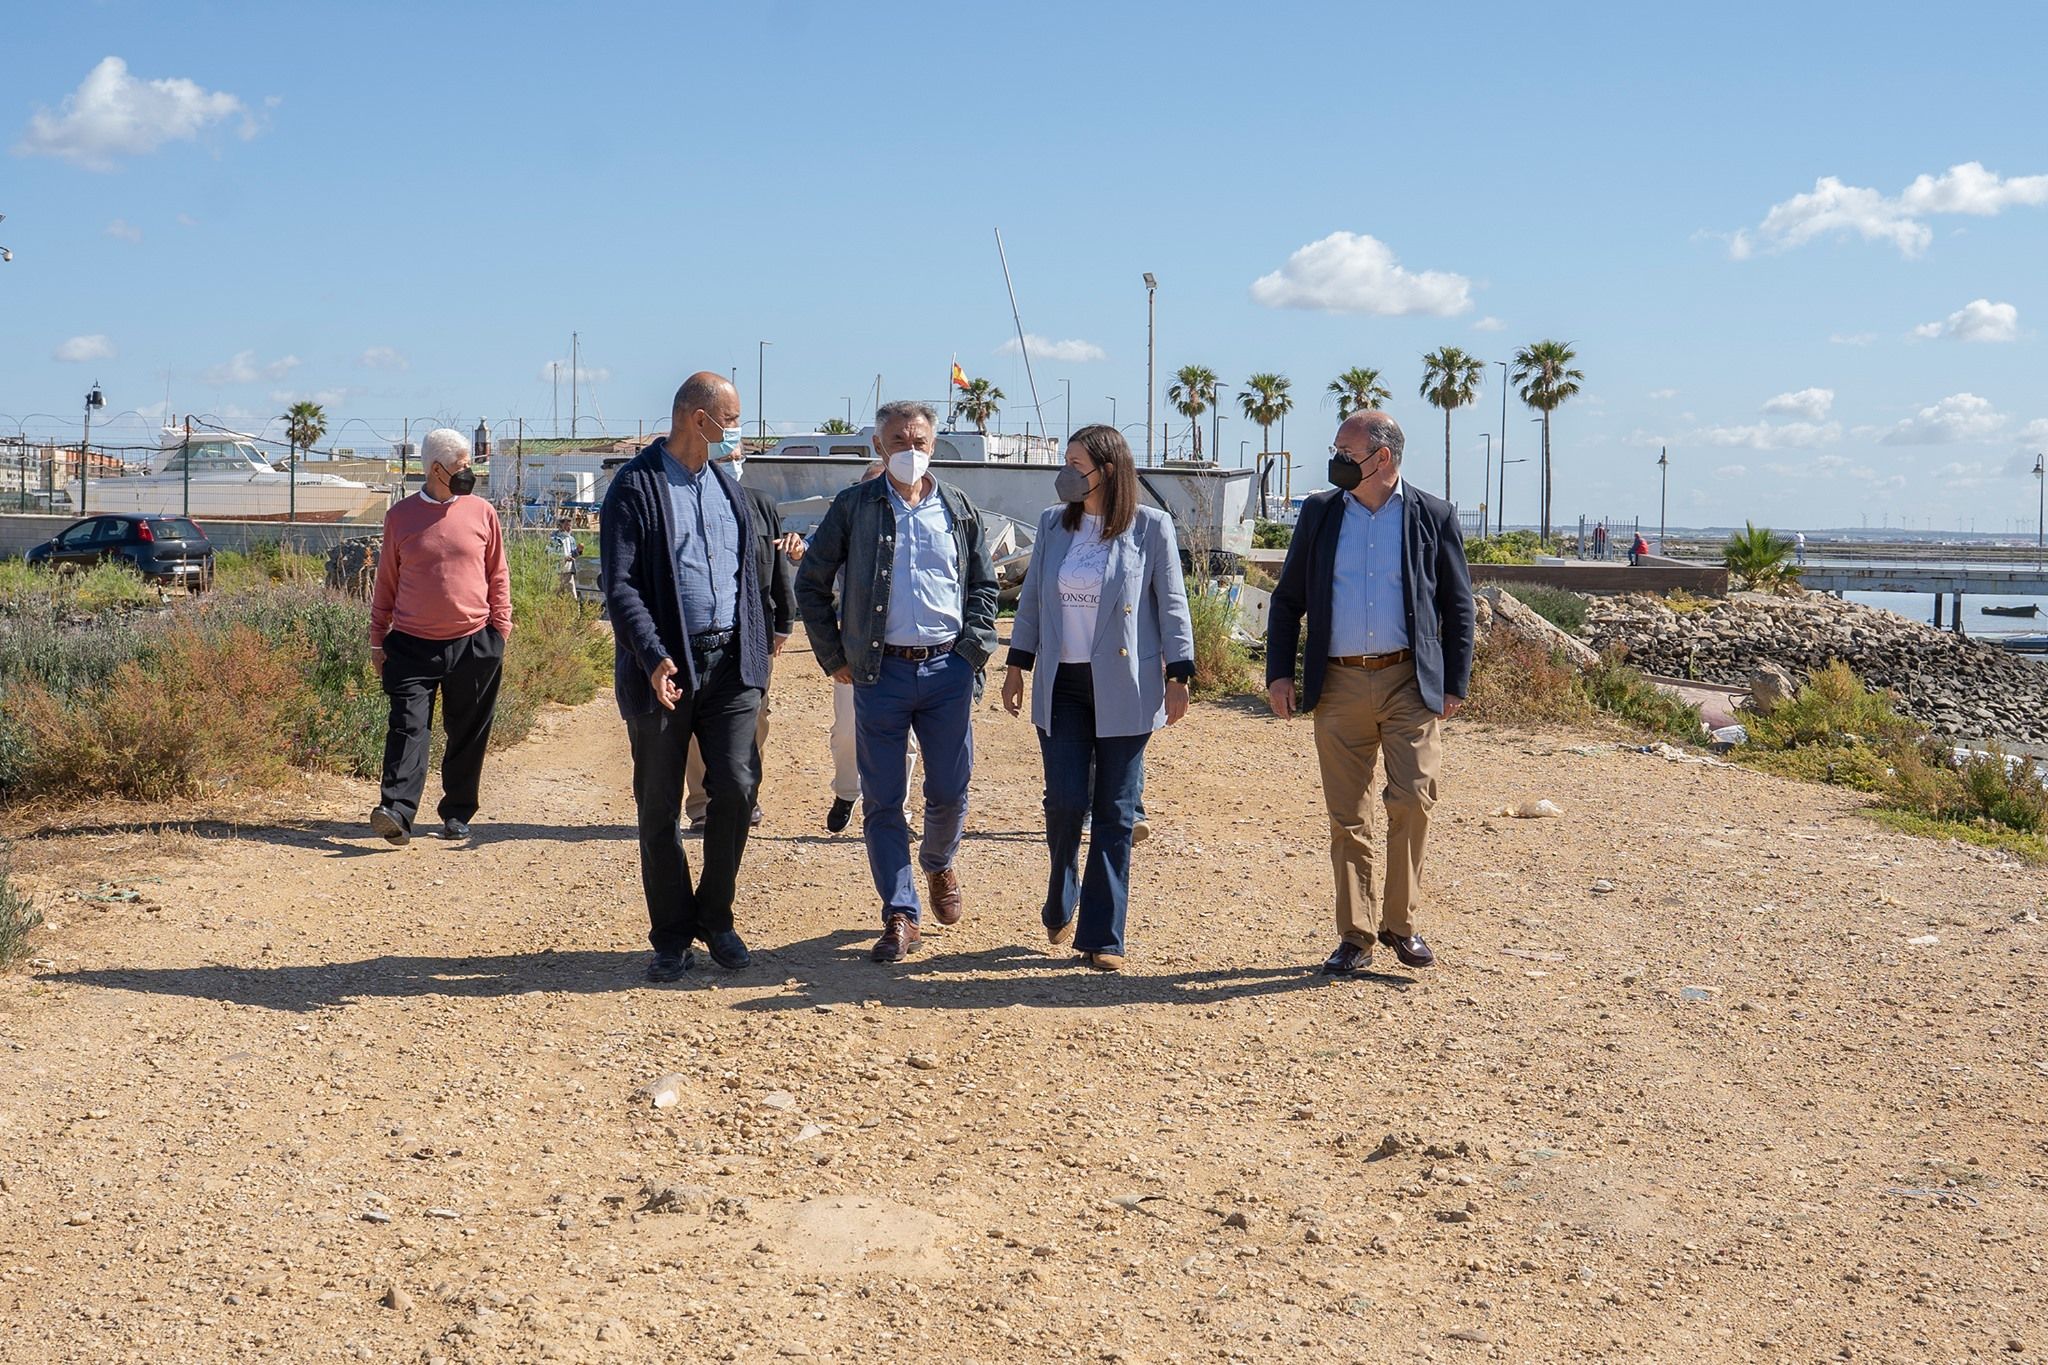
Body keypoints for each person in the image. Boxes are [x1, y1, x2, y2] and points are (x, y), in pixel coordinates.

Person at [1266, 411, 1475, 976]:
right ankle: (1355, 935)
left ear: (1382, 458)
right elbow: (1287, 600)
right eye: (1335, 450)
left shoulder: (1433, 515)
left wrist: (1454, 682)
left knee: (1414, 799)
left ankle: (1401, 925)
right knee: (1348, 816)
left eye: (1345, 453)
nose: (1334, 461)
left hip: (1410, 682)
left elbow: (1458, 605)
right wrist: (1279, 673)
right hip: (1338, 684)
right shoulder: (1319, 513)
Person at [795, 400, 999, 963]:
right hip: (878, 673)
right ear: (878, 447)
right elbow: (811, 582)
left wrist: (972, 652)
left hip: (948, 670)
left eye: (919, 441)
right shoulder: (854, 506)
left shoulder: (957, 507)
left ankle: (938, 863)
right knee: (883, 799)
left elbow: (984, 585)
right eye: (898, 441)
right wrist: (834, 654)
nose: (910, 450)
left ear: (933, 445)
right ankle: (901, 912)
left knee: (950, 789)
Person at [1000, 425, 1194, 971]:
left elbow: (1172, 603)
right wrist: (1016, 666)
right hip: (1061, 683)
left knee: (1115, 810)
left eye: (1076, 463)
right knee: (1064, 802)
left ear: (1107, 470)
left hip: (1126, 686)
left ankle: (1103, 936)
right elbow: (1032, 602)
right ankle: (1061, 893)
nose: (1066, 472)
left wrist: (1180, 673)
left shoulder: (1149, 527)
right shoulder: (1052, 524)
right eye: (1065, 461)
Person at [600, 372, 771, 981]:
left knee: (737, 788)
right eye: (733, 418)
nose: (738, 430)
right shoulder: (636, 486)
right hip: (665, 672)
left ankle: (716, 918)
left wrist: (759, 652)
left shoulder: (728, 486)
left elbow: (750, 577)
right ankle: (671, 935)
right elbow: (619, 584)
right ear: (700, 419)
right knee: (658, 805)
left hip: (732, 668)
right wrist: (651, 655)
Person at [367, 427, 511, 847]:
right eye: (462, 466)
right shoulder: (400, 517)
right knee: (407, 726)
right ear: (436, 469)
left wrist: (500, 630)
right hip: (411, 644)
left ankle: (457, 813)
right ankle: (397, 811)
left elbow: (498, 573)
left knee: (468, 731)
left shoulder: (483, 512)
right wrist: (377, 638)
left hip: (474, 642)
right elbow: (387, 581)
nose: (469, 473)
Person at [683, 441, 795, 831]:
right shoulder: (684, 503)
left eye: (737, 457)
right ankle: (702, 803)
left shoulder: (762, 504)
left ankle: (744, 794)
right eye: (725, 457)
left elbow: (777, 567)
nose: (734, 463)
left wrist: (783, 623)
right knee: (696, 720)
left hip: (755, 632)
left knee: (755, 716)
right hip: (699, 632)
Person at [809, 462, 920, 834]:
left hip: (906, 653)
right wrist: (832, 654)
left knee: (904, 738)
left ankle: (898, 813)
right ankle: (847, 791)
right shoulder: (846, 524)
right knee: (847, 731)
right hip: (856, 650)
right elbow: (813, 562)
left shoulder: (913, 531)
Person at [548, 516, 582, 602]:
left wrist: (578, 551)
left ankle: (573, 611)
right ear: (560, 525)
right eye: (567, 525)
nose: (569, 528)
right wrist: (564, 558)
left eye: (570, 525)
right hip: (557, 572)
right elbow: (549, 554)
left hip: (568, 572)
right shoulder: (554, 539)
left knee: (572, 598)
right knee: (555, 597)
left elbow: (573, 555)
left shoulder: (571, 539)